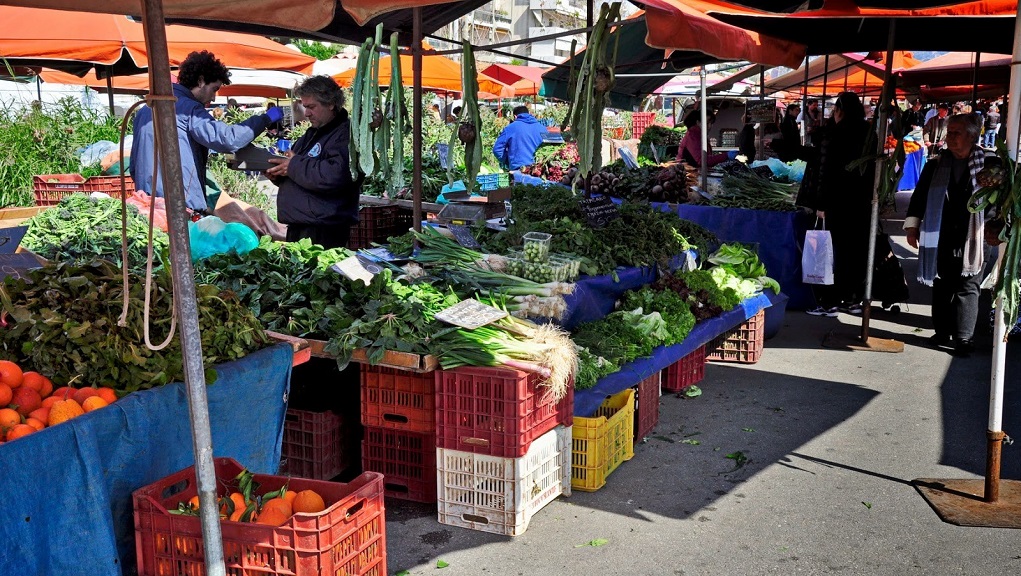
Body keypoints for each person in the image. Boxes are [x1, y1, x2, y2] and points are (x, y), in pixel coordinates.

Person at [130, 50, 282, 213]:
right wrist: (266, 118)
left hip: (147, 205)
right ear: (201, 81)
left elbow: (134, 165)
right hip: (179, 206)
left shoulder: (145, 110)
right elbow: (227, 139)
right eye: (214, 89)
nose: (214, 98)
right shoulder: (189, 109)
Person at [904, 114, 990, 357]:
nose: (949, 137)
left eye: (956, 133)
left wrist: (994, 227)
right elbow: (919, 196)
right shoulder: (935, 164)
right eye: (948, 132)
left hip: (975, 235)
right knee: (942, 282)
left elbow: (996, 202)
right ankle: (942, 331)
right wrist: (912, 227)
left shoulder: (989, 166)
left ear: (972, 136)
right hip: (940, 233)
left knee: (968, 285)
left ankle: (964, 338)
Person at [265, 75, 361, 249]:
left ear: (330, 104)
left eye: (311, 107)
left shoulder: (345, 134)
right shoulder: (313, 133)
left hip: (324, 229)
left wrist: (292, 166)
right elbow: (298, 170)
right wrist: (278, 173)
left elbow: (336, 175)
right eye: (305, 106)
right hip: (302, 224)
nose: (307, 113)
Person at [803, 92, 875, 317]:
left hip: (837, 202)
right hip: (861, 202)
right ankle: (852, 300)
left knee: (832, 252)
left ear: (840, 111)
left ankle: (829, 302)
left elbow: (826, 171)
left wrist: (821, 203)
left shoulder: (834, 133)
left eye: (835, 110)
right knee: (855, 252)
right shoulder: (869, 132)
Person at [491, 105, 546, 170]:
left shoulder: (510, 128)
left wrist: (507, 160)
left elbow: (497, 149)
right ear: (529, 113)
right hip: (538, 170)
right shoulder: (542, 128)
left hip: (518, 170)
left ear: (515, 116)